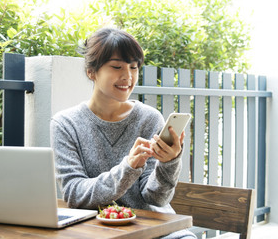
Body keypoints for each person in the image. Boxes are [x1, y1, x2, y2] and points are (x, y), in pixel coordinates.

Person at [50, 27, 196, 239]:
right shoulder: (65, 124)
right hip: (96, 232)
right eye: (117, 66)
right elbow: (74, 194)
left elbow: (156, 199)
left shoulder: (149, 118)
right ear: (92, 72)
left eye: (134, 67)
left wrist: (170, 162)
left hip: (154, 232)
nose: (128, 76)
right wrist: (128, 168)